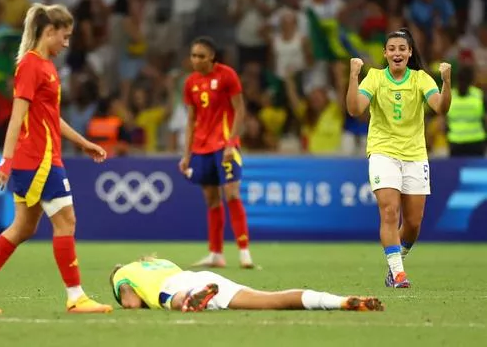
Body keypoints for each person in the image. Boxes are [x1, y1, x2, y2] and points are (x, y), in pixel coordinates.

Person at [0, 3, 112, 314]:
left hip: (41, 158)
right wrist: (5, 160)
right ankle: (76, 297)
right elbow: (16, 118)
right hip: (38, 161)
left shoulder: (47, 67)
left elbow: (51, 117)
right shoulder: (30, 65)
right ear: (49, 31)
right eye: (64, 36)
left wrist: (83, 142)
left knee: (23, 228)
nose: (66, 43)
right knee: (66, 222)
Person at [346, 28, 451, 288]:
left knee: (413, 224)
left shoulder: (421, 79)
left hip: (415, 155)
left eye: (402, 49)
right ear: (385, 53)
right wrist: (353, 75)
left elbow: (441, 108)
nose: (397, 53)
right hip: (383, 152)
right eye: (392, 48)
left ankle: (395, 266)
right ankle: (399, 274)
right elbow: (354, 109)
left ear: (410, 53)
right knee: (390, 211)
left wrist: (446, 82)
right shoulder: (374, 78)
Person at [178, 36, 253, 269]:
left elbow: (239, 110)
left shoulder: (227, 75)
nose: (196, 60)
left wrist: (231, 143)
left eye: (200, 56)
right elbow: (191, 120)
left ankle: (244, 252)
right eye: (193, 55)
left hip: (224, 146)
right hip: (201, 148)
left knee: (231, 193)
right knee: (211, 199)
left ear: (211, 56)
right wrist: (186, 154)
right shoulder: (190, 82)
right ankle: (216, 254)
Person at [109, 257, 384, 312]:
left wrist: (123, 297)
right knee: (271, 299)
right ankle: (338, 301)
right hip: (203, 276)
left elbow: (132, 302)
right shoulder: (159, 262)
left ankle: (191, 300)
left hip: (177, 286)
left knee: (172, 298)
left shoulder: (124, 275)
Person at [446, 65, 486, 157]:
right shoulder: (479, 95)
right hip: (466, 142)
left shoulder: (450, 95)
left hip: (469, 142)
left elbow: (444, 121)